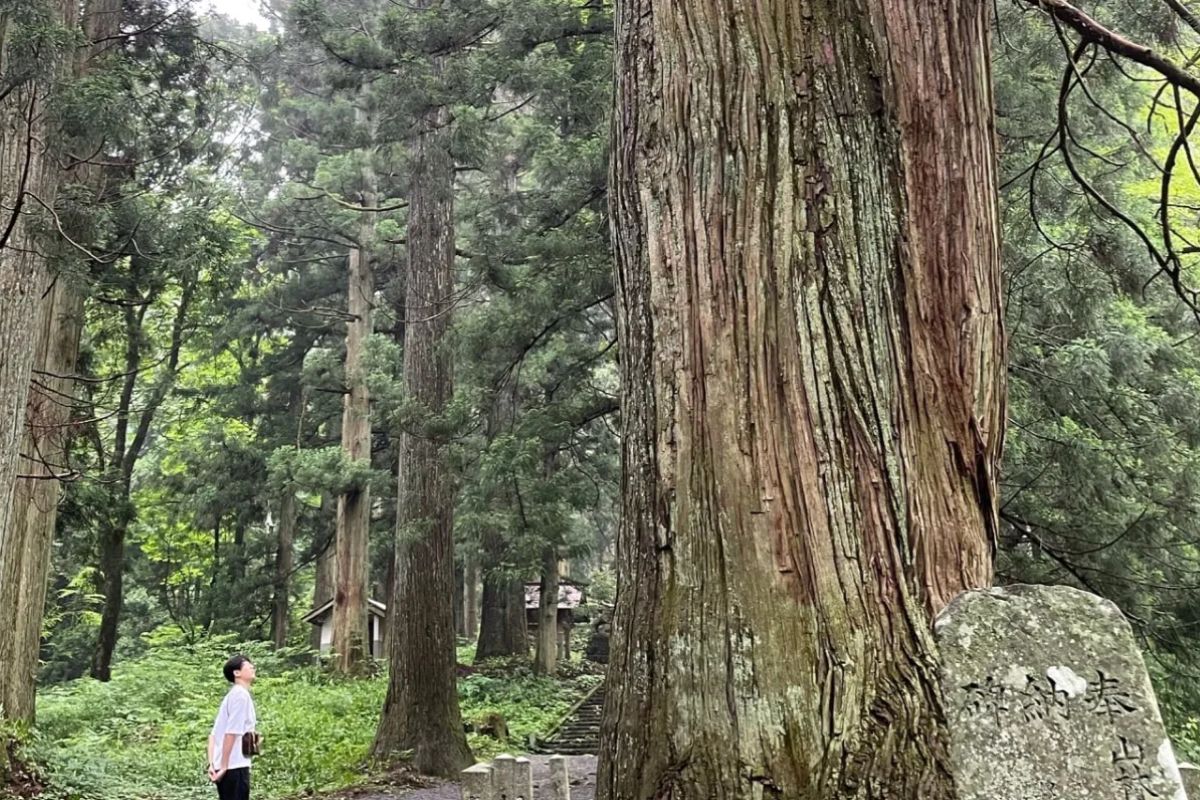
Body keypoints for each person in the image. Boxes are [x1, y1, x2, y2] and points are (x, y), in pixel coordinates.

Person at [207, 654, 258, 800]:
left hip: (228, 765)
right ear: (237, 673)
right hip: (234, 765)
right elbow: (232, 732)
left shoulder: (232, 695)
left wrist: (212, 764)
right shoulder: (240, 695)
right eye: (248, 665)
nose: (253, 667)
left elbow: (213, 735)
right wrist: (224, 766)